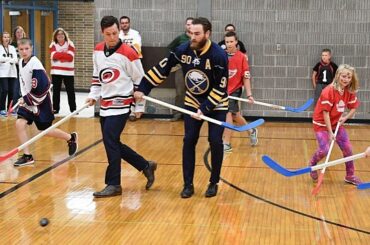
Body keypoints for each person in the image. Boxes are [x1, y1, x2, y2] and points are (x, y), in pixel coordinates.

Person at [135, 17, 228, 198]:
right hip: (193, 100)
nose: (192, 37)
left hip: (216, 104)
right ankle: (188, 184)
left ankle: (213, 182)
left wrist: (205, 108)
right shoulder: (182, 50)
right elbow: (162, 69)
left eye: (197, 34)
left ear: (207, 34)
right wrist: (142, 88)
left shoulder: (218, 55)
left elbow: (221, 87)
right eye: (191, 33)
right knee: (189, 140)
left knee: (215, 141)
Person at [86, 16, 157, 198]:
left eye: (115, 33)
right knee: (113, 143)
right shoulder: (97, 50)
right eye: (108, 34)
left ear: (120, 31)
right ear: (102, 32)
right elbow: (97, 76)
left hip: (122, 103)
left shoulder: (129, 53)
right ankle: (145, 165)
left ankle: (114, 184)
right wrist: (93, 96)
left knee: (110, 141)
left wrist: (140, 105)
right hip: (105, 104)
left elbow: (141, 80)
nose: (112, 37)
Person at [14, 38, 78, 167]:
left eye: (27, 49)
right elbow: (23, 83)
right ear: (18, 50)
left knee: (45, 131)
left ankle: (70, 138)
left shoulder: (35, 64)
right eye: (21, 49)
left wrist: (27, 99)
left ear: (32, 48)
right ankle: (27, 156)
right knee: (19, 124)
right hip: (28, 100)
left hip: (41, 101)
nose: (24, 51)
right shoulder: (20, 62)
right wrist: (23, 98)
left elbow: (43, 86)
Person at [309, 64, 362, 185]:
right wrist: (330, 132)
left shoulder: (349, 91)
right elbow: (325, 113)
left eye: (349, 77)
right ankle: (312, 164)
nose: (346, 79)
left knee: (348, 148)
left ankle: (350, 175)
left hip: (336, 123)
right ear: (338, 76)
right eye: (343, 76)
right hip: (321, 123)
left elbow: (354, 107)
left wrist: (345, 118)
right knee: (324, 150)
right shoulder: (328, 91)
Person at [222, 31, 257, 153]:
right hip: (223, 90)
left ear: (236, 42)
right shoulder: (221, 55)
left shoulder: (242, 57)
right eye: (227, 42)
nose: (229, 44)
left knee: (228, 113)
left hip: (236, 89)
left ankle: (226, 143)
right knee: (235, 115)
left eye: (231, 41)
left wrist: (249, 94)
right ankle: (250, 130)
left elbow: (246, 77)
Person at [167, 17, 194, 121]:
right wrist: (175, 61)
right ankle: (177, 114)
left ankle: (192, 114)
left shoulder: (198, 38)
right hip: (181, 68)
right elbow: (170, 49)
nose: (190, 26)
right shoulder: (180, 38)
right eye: (188, 24)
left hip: (194, 69)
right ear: (185, 26)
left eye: (192, 24)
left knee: (193, 92)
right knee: (180, 92)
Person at [119, 15, 145, 121]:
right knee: (125, 87)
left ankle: (138, 109)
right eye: (122, 23)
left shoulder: (135, 34)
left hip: (135, 62)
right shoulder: (117, 35)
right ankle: (128, 111)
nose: (124, 24)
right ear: (120, 24)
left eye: (126, 23)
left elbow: (136, 48)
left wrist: (123, 49)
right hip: (121, 64)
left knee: (140, 85)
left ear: (129, 23)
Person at [49, 28, 76, 114]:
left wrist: (59, 57)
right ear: (56, 36)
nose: (60, 35)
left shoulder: (70, 44)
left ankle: (73, 109)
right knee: (56, 91)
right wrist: (64, 56)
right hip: (56, 71)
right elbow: (53, 55)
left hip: (69, 72)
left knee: (70, 91)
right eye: (58, 34)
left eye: (62, 34)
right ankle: (56, 109)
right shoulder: (53, 44)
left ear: (65, 35)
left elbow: (70, 57)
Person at [0, 31, 18, 116]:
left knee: (12, 91)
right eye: (4, 37)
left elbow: (16, 59)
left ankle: (10, 108)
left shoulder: (12, 48)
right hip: (3, 73)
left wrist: (5, 59)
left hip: (12, 73)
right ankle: (2, 109)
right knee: (4, 90)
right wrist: (9, 59)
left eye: (8, 37)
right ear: (1, 39)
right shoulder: (0, 48)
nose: (6, 38)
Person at [11, 26, 26, 109]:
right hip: (16, 68)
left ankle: (24, 107)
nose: (19, 33)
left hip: (25, 68)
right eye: (17, 32)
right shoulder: (12, 44)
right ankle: (14, 107)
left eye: (21, 31)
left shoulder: (27, 42)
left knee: (25, 89)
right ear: (15, 34)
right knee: (16, 89)